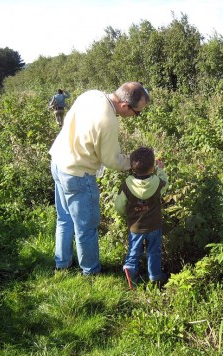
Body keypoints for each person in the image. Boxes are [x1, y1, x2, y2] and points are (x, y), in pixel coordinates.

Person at [49, 82, 150, 276]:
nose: (136, 117)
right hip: (78, 174)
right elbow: (111, 160)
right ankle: (91, 272)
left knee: (64, 219)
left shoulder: (92, 94)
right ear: (124, 106)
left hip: (58, 162)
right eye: (137, 112)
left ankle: (62, 264)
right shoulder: (109, 120)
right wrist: (135, 162)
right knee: (86, 228)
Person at [114, 147, 169, 289]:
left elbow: (119, 206)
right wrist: (161, 169)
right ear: (152, 168)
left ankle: (130, 274)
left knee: (133, 251)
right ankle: (155, 276)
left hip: (135, 227)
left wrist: (125, 214)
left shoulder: (127, 185)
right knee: (154, 251)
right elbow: (165, 184)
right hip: (154, 226)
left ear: (132, 167)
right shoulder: (157, 182)